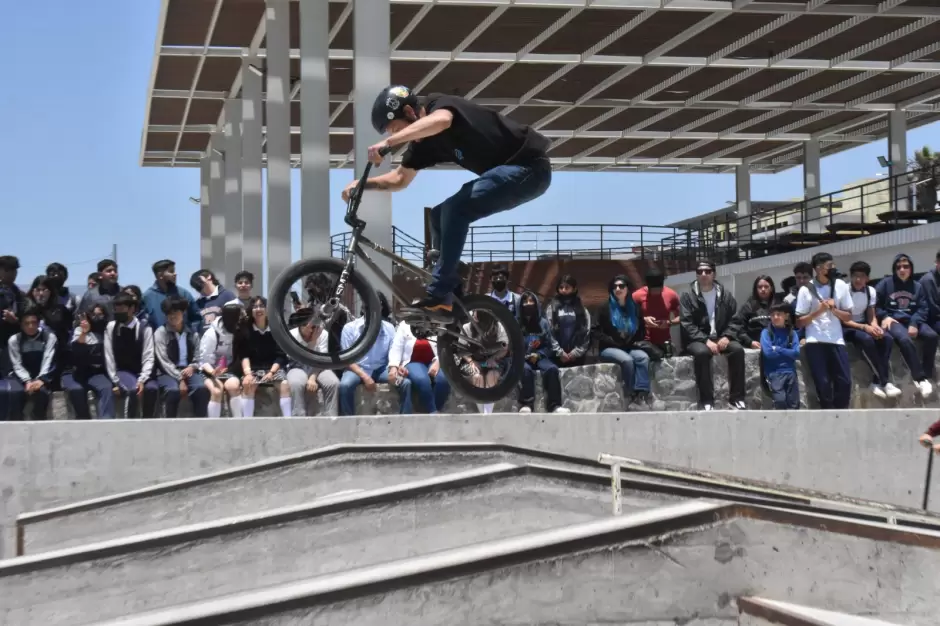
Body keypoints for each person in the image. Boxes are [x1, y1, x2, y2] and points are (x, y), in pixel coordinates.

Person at [342, 85, 551, 314]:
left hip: (529, 168)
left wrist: (388, 144)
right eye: (391, 134)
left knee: (456, 209)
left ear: (411, 112)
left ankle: (439, 292)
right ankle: (453, 298)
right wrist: (361, 186)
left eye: (395, 129)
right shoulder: (423, 146)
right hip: (511, 174)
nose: (395, 136)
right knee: (438, 215)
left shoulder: (439, 104)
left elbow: (441, 121)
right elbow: (400, 179)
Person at [679, 260, 746, 410]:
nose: (703, 274)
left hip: (721, 336)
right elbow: (687, 324)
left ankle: (737, 398)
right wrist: (705, 340)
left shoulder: (725, 295)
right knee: (702, 353)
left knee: (737, 350)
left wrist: (727, 336)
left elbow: (735, 319)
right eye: (700, 271)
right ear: (696, 274)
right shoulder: (687, 297)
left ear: (714, 274)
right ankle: (706, 400)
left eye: (707, 271)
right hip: (697, 339)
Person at [794, 252, 854, 409]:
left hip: (837, 340)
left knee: (845, 381)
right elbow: (799, 322)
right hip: (815, 340)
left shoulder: (841, 285)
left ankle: (841, 412)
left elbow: (848, 316)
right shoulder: (806, 289)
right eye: (829, 266)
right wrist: (818, 312)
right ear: (819, 269)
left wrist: (835, 310)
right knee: (823, 383)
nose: (833, 268)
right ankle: (827, 412)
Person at [875, 253, 936, 398]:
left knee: (932, 336)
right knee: (904, 340)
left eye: (906, 266)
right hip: (893, 321)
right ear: (894, 269)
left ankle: (926, 376)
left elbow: (923, 308)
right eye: (899, 267)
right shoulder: (885, 284)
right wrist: (884, 316)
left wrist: (914, 323)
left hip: (912, 320)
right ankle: (919, 378)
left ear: (911, 268)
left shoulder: (917, 286)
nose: (902, 269)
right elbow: (874, 305)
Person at [843, 261, 900, 399]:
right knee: (867, 339)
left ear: (867, 278)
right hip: (846, 326)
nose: (858, 280)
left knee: (886, 338)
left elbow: (871, 314)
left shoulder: (870, 291)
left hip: (864, 324)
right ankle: (885, 381)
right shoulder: (844, 291)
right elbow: (844, 319)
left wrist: (875, 326)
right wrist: (865, 328)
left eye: (861, 276)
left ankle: (876, 382)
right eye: (855, 276)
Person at [594, 276, 650, 408]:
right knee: (627, 361)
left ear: (628, 288)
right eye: (615, 286)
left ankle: (641, 392)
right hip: (609, 348)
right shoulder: (604, 308)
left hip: (629, 346)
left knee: (643, 357)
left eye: (621, 286)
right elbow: (595, 331)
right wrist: (612, 341)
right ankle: (629, 394)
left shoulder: (635, 308)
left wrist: (633, 340)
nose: (618, 289)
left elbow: (641, 329)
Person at [231, 296, 291, 418]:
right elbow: (244, 355)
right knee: (249, 385)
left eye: (261, 306)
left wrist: (271, 372)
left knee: (284, 384)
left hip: (273, 368)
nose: (258, 309)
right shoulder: (245, 330)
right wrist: (248, 373)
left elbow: (281, 355)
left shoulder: (276, 329)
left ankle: (288, 419)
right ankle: (247, 422)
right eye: (255, 307)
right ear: (251, 310)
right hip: (253, 368)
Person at [338, 292, 396, 416]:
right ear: (363, 307)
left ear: (381, 307)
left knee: (404, 383)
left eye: (375, 305)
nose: (370, 309)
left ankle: (404, 419)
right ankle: (348, 421)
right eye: (367, 305)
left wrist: (394, 368)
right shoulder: (349, 328)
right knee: (345, 386)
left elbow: (393, 354)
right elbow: (347, 359)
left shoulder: (389, 328)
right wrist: (364, 376)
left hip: (381, 369)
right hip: (357, 369)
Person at [103, 293, 159, 417]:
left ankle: (148, 423)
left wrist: (143, 379)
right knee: (133, 389)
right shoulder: (111, 327)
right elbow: (109, 356)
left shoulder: (145, 328)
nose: (118, 312)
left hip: (144, 372)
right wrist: (115, 381)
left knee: (152, 389)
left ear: (132, 309)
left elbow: (148, 355)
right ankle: (130, 427)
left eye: (122, 308)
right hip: (123, 371)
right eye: (116, 309)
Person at [153, 296, 209, 417]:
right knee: (172, 391)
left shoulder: (192, 332)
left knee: (201, 388)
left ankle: (201, 425)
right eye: (169, 314)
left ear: (183, 312)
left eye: (175, 313)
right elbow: (163, 361)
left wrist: (192, 367)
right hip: (166, 372)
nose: (172, 317)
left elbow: (198, 355)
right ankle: (169, 426)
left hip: (188, 370)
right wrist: (180, 378)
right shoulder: (160, 333)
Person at [1, 307, 57, 420]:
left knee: (41, 394)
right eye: (27, 323)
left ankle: (39, 421)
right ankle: (15, 423)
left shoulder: (49, 337)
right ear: (21, 325)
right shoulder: (14, 339)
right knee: (15, 393)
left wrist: (41, 379)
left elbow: (49, 358)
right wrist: (27, 380)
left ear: (38, 323)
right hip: (19, 377)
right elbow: (16, 363)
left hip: (42, 376)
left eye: (33, 323)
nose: (30, 326)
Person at [517, 291, 567, 414]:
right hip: (522, 358)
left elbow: (549, 345)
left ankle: (555, 406)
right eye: (525, 301)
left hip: (540, 357)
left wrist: (538, 355)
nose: (528, 304)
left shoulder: (543, 323)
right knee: (526, 371)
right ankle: (527, 404)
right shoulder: (515, 323)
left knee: (552, 369)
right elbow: (512, 345)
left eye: (531, 301)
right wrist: (524, 356)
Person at [61, 306, 115, 419]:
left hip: (96, 372)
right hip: (77, 372)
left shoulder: (106, 332)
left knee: (106, 388)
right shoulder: (79, 331)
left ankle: (106, 422)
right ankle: (83, 421)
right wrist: (84, 332)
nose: (97, 317)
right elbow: (76, 349)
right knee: (77, 390)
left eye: (100, 315)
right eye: (94, 314)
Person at [388, 321, 451, 414]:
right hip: (412, 362)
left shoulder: (437, 321)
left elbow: (445, 346)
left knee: (443, 380)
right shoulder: (404, 325)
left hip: (435, 361)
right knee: (422, 380)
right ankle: (433, 412)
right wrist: (394, 366)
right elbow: (396, 348)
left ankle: (436, 408)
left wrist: (438, 361)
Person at [285, 313, 340, 416]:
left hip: (319, 366)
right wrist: (313, 343)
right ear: (302, 326)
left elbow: (322, 359)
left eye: (316, 326)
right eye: (311, 326)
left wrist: (312, 377)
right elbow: (297, 360)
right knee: (296, 384)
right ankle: (299, 418)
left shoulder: (322, 334)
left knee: (333, 383)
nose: (314, 330)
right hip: (297, 366)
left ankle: (331, 418)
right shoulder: (291, 335)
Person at [198, 300, 243, 417]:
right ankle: (214, 426)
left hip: (228, 369)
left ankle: (239, 422)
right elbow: (203, 360)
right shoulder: (212, 334)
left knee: (234, 386)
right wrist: (213, 372)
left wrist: (229, 368)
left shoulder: (238, 332)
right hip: (209, 370)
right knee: (217, 391)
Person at [544, 274, 592, 369]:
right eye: (561, 287)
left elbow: (587, 330)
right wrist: (560, 352)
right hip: (557, 357)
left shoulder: (581, 308)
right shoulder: (552, 308)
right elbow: (549, 331)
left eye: (567, 287)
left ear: (574, 289)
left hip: (577, 357)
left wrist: (576, 353)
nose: (564, 290)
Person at [760, 302, 801, 410]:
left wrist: (778, 349)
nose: (775, 317)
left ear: (786, 316)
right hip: (774, 373)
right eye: (772, 315)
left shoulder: (792, 334)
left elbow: (796, 353)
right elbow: (768, 353)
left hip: (790, 373)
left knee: (794, 404)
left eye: (778, 314)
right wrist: (788, 352)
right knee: (780, 401)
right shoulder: (766, 333)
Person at [143, 260, 202, 333]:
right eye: (171, 271)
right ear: (160, 275)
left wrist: (191, 335)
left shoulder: (184, 294)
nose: (175, 274)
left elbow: (197, 319)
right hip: (158, 342)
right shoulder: (147, 297)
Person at [632, 266, 679, 354]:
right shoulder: (636, 296)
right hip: (643, 342)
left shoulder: (671, 294)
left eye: (659, 290)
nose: (656, 293)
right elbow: (626, 317)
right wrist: (643, 320)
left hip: (664, 342)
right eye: (653, 291)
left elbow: (682, 317)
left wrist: (669, 323)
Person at [732, 275, 776, 350]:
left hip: (776, 345)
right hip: (755, 346)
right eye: (760, 287)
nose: (763, 289)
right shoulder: (748, 306)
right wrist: (749, 342)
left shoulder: (778, 305)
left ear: (771, 288)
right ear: (755, 289)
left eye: (766, 286)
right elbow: (738, 327)